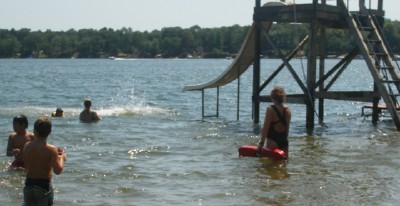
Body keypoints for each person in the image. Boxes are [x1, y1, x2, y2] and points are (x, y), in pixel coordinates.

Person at [22, 116, 66, 206]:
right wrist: (61, 157)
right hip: (43, 186)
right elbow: (58, 171)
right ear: (49, 132)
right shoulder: (52, 149)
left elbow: (26, 166)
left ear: (35, 131)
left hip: (29, 185)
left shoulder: (27, 146)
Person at [257, 86, 291, 158]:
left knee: (269, 166)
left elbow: (265, 128)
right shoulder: (288, 110)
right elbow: (287, 129)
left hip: (273, 141)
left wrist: (261, 143)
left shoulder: (270, 109)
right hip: (284, 141)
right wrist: (284, 139)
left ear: (272, 98)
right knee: (283, 164)